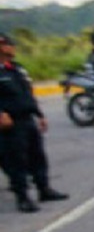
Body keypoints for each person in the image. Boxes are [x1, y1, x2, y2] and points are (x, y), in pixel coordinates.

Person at [0, 32, 69, 213]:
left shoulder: (17, 68)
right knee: (17, 160)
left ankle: (43, 189)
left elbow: (28, 93)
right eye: (8, 44)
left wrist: (39, 114)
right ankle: (22, 197)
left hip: (27, 119)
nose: (12, 47)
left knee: (38, 156)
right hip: (11, 123)